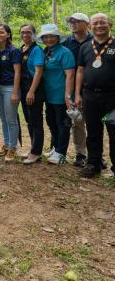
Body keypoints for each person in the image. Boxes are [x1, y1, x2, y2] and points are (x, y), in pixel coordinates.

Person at [75, 13, 115, 178]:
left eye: (102, 22)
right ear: (90, 26)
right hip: (90, 95)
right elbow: (80, 70)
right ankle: (93, 163)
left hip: (112, 97)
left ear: (110, 25)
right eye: (95, 23)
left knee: (114, 132)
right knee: (93, 131)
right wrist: (77, 94)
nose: (99, 26)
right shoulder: (85, 46)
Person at [38, 24, 75, 165]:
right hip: (49, 95)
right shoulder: (47, 51)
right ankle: (55, 148)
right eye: (46, 37)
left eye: (52, 36)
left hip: (61, 96)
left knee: (63, 124)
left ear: (58, 37)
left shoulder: (64, 52)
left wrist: (67, 96)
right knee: (52, 123)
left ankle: (61, 153)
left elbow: (70, 75)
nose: (49, 39)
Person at [62, 12, 92, 167]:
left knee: (96, 123)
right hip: (74, 88)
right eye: (70, 21)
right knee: (78, 121)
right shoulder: (67, 43)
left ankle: (96, 155)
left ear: (87, 24)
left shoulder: (96, 40)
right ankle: (81, 153)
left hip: (95, 87)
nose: (72, 23)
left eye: (76, 21)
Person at [0, 24, 22, 162]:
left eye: (1, 32)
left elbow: (17, 72)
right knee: (4, 119)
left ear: (8, 34)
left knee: (11, 119)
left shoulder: (13, 51)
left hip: (10, 87)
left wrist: (15, 91)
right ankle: (6, 143)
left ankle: (12, 148)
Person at [19, 24, 45, 164]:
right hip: (24, 88)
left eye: (28, 32)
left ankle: (36, 152)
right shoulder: (21, 49)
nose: (25, 35)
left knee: (36, 121)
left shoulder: (36, 50)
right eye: (22, 32)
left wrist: (31, 91)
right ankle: (33, 148)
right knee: (29, 120)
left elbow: (39, 72)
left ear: (34, 34)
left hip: (33, 88)